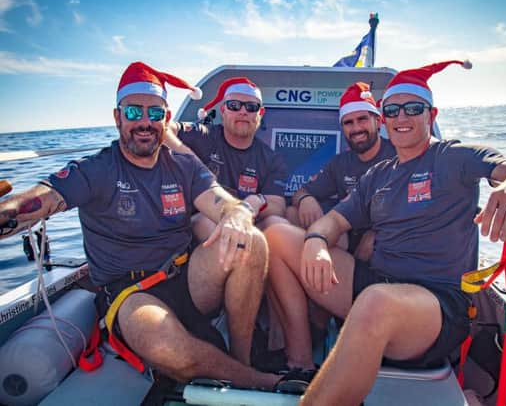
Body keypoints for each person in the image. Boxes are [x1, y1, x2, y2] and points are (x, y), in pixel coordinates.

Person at [263, 60, 506, 405]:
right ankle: (300, 364)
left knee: (376, 301)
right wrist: (316, 241)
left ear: (430, 114)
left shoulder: (453, 156)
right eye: (393, 110)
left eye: (412, 108)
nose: (402, 117)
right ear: (384, 119)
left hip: (436, 304)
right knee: (278, 236)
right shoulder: (378, 175)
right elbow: (334, 222)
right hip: (380, 282)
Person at [0, 62, 292, 391]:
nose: (144, 122)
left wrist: (237, 213)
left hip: (186, 279)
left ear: (166, 120)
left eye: (154, 114)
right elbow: (42, 198)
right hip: (131, 294)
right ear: (117, 117)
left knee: (251, 241)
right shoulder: (95, 170)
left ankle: (243, 359)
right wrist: (8, 211)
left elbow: (218, 199)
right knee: (170, 349)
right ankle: (263, 383)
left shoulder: (183, 165)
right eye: (134, 111)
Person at [166, 77, 288, 240]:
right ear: (223, 110)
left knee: (279, 225)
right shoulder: (204, 135)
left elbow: (278, 206)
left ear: (260, 113)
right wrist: (190, 158)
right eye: (234, 106)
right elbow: (164, 127)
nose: (243, 112)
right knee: (210, 223)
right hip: (202, 223)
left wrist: (256, 201)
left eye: (251, 107)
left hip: (248, 224)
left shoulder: (270, 158)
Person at [288, 82, 396, 261]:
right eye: (348, 123)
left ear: (377, 121)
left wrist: (375, 233)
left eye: (362, 119)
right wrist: (306, 199)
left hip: (388, 242)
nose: (356, 128)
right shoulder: (340, 163)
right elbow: (301, 191)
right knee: (292, 213)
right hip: (347, 237)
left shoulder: (398, 154)